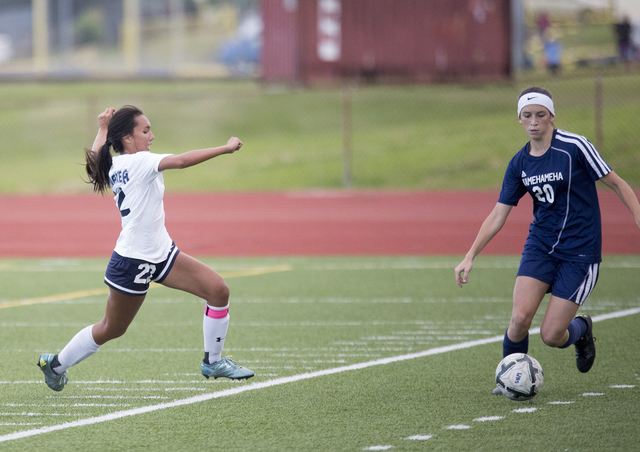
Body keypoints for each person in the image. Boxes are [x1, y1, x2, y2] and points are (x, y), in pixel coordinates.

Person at [38, 106, 254, 391]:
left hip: (163, 254)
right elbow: (181, 161)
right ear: (127, 138)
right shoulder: (138, 162)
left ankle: (212, 361)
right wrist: (225, 148)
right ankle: (54, 365)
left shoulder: (115, 164)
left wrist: (102, 128)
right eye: (145, 130)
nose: (152, 136)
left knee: (218, 290)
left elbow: (95, 163)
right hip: (132, 261)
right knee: (111, 329)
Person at [454, 87, 640, 395]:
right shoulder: (520, 163)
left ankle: (582, 331)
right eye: (527, 116)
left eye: (541, 115)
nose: (534, 122)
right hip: (541, 246)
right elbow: (498, 215)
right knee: (519, 319)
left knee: (552, 335)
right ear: (519, 120)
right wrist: (470, 255)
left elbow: (616, 183)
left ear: (551, 116)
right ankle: (508, 382)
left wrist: (636, 213)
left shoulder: (575, 147)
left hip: (579, 252)